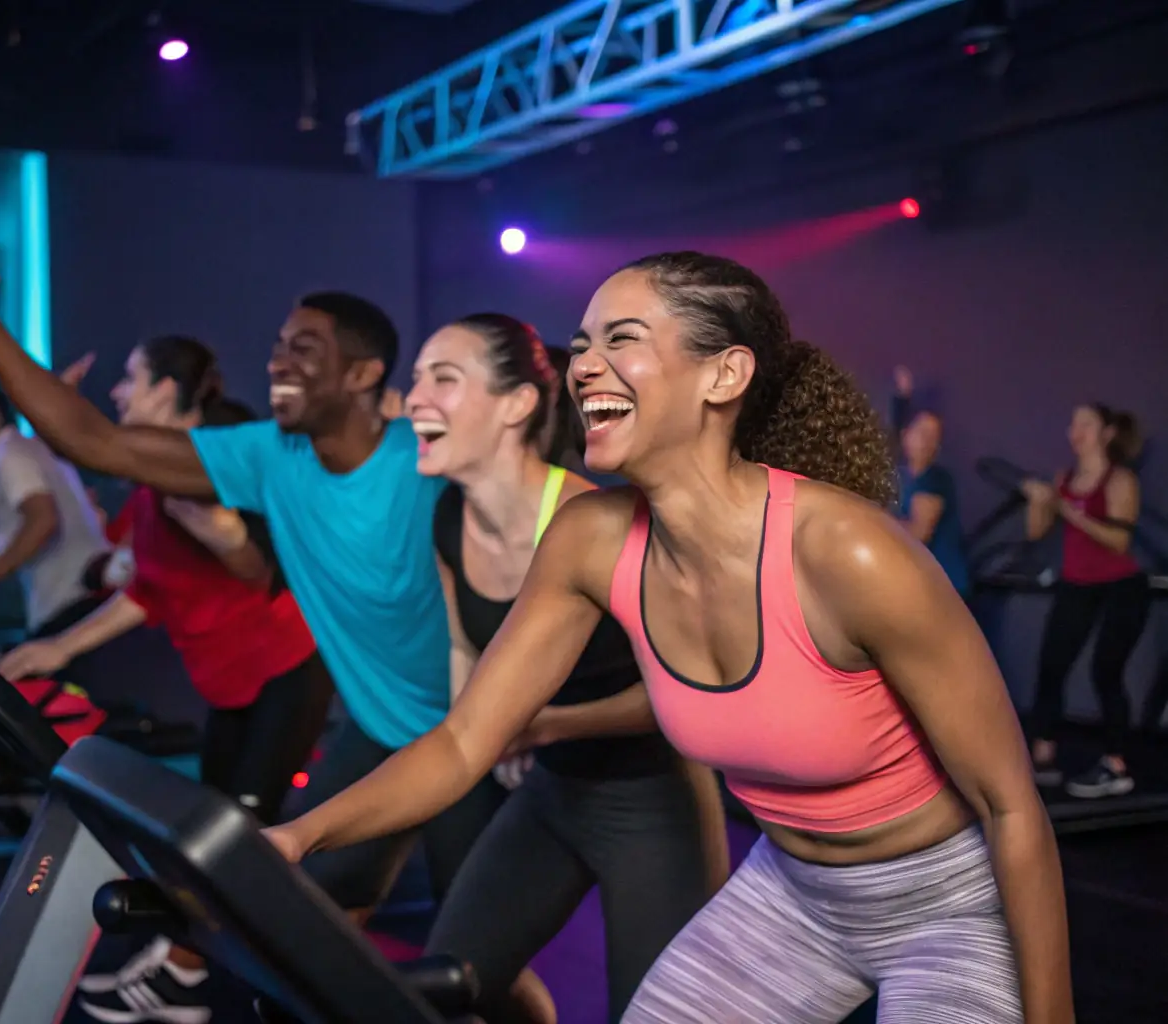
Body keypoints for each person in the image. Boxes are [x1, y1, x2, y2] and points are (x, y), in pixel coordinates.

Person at [262, 252, 1072, 1024]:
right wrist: (297, 836)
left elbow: (1010, 806)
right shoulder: (590, 538)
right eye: (580, 345)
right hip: (790, 896)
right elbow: (464, 742)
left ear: (724, 373)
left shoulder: (848, 554)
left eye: (621, 339)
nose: (583, 365)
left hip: (947, 911)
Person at [0, 254, 504, 1021]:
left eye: (304, 347)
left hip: (479, 734)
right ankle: (185, 981)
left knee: (477, 969)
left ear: (364, 374)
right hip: (378, 731)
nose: (276, 359)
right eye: (277, 343)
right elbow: (97, 442)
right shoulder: (267, 455)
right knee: (296, 913)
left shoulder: (425, 458)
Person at [0, 337, 334, 1023]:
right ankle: (187, 959)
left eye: (132, 378)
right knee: (198, 831)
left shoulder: (207, 482)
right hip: (228, 681)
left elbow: (251, 568)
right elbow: (147, 588)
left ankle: (186, 976)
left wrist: (225, 532)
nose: (120, 392)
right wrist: (57, 648)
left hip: (283, 670)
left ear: (173, 395)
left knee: (238, 838)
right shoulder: (161, 483)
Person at [408, 312, 726, 1024]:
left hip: (652, 798)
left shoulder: (600, 520)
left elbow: (688, 694)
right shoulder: (444, 520)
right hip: (552, 796)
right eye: (415, 377)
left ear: (517, 404)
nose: (413, 397)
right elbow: (468, 647)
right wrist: (483, 731)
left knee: (655, 1013)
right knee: (449, 985)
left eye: (442, 378)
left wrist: (541, 723)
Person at [1022, 403, 1148, 799]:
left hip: (1121, 587)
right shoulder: (1064, 479)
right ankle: (1042, 758)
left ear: (1106, 432)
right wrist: (1038, 501)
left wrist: (1065, 508)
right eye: (1072, 422)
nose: (1075, 430)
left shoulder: (1120, 480)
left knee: (1105, 672)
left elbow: (1118, 540)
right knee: (1051, 667)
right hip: (1076, 586)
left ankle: (1116, 765)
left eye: (1085, 424)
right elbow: (1036, 533)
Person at [0, 378, 109, 636]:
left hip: (70, 603)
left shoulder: (9, 455)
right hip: (81, 597)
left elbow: (43, 520)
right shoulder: (16, 449)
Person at [890, 366, 969, 597]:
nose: (928, 441)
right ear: (906, 435)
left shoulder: (937, 479)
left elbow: (918, 533)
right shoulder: (901, 476)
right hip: (922, 587)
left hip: (946, 592)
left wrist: (871, 520)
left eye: (934, 436)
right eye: (922, 432)